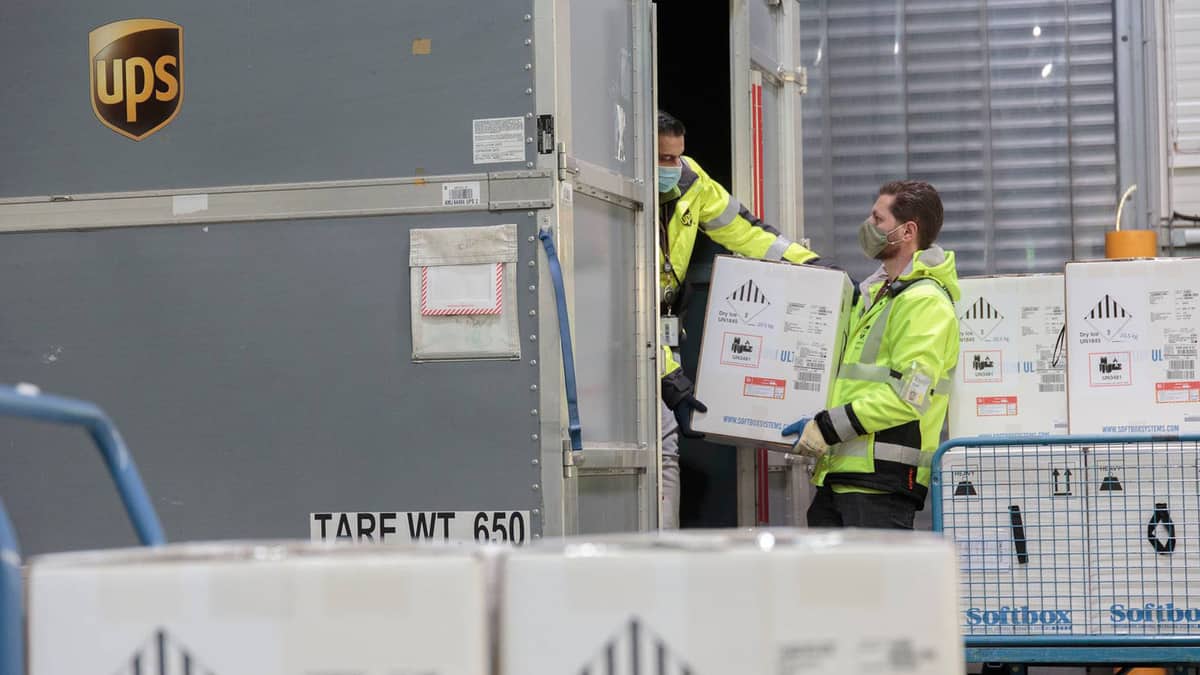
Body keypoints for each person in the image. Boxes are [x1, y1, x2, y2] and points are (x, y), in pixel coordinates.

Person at [656, 110, 820, 529]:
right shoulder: (619, 205)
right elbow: (620, 313)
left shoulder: (692, 182)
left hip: (660, 332)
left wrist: (809, 263)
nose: (673, 168)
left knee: (664, 449)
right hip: (632, 342)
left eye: (678, 156)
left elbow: (745, 232)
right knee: (659, 447)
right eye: (663, 159)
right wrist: (668, 372)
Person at [781, 180, 960, 529]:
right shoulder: (879, 296)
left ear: (907, 231)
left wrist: (826, 427)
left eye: (878, 220)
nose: (868, 226)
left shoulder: (924, 303)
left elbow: (908, 398)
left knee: (873, 585)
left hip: (880, 483)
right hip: (843, 476)